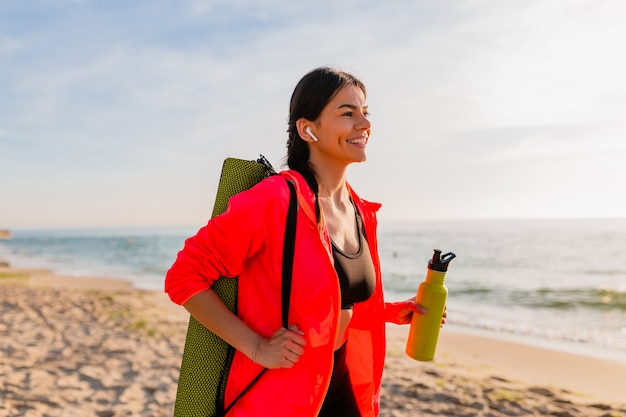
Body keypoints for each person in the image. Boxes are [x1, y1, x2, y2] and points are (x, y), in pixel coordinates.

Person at [165, 67, 435, 416]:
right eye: (347, 113)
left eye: (365, 112)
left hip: (337, 378)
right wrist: (257, 346)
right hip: (281, 389)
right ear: (308, 129)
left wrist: (390, 312)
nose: (364, 124)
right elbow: (183, 277)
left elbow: (331, 297)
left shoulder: (358, 209)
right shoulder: (275, 200)